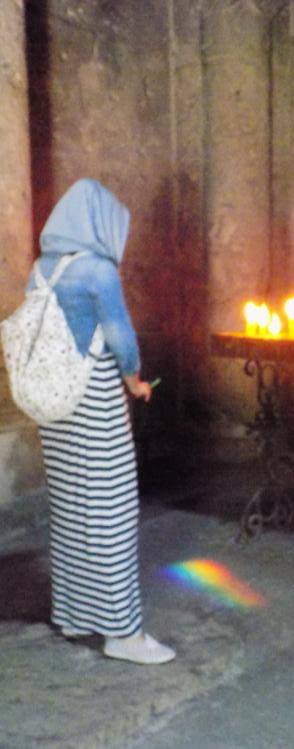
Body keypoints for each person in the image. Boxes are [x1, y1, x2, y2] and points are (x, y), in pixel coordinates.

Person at [33, 178, 175, 665]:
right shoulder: (98, 271)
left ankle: (74, 615)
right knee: (111, 510)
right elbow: (121, 338)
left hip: (55, 400)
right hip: (93, 399)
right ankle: (122, 633)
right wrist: (135, 381)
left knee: (71, 506)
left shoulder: (43, 268)